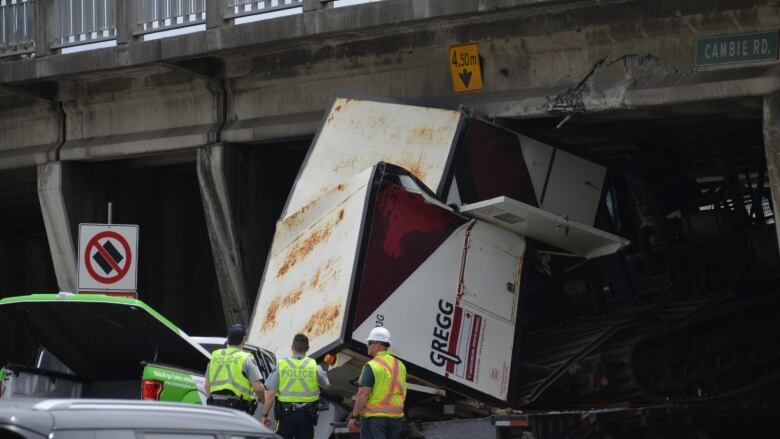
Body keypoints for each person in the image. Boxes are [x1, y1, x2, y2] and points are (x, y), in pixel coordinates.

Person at [262, 333, 331, 439]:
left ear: (292, 347)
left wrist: (265, 415)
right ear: (307, 348)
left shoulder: (282, 365)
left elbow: (270, 393)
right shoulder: (314, 366)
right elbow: (327, 386)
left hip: (286, 415)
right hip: (307, 416)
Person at [348, 327, 407, 439]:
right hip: (396, 419)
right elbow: (403, 390)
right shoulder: (400, 365)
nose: (367, 345)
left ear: (378, 345)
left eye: (369, 342)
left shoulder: (372, 366)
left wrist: (354, 417)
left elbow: (363, 394)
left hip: (375, 419)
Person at [204, 323, 265, 414]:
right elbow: (259, 388)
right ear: (244, 339)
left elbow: (207, 385)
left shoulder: (215, 356)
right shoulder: (246, 358)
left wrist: (210, 401)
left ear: (227, 338)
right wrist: (263, 400)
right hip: (237, 408)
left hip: (215, 406)